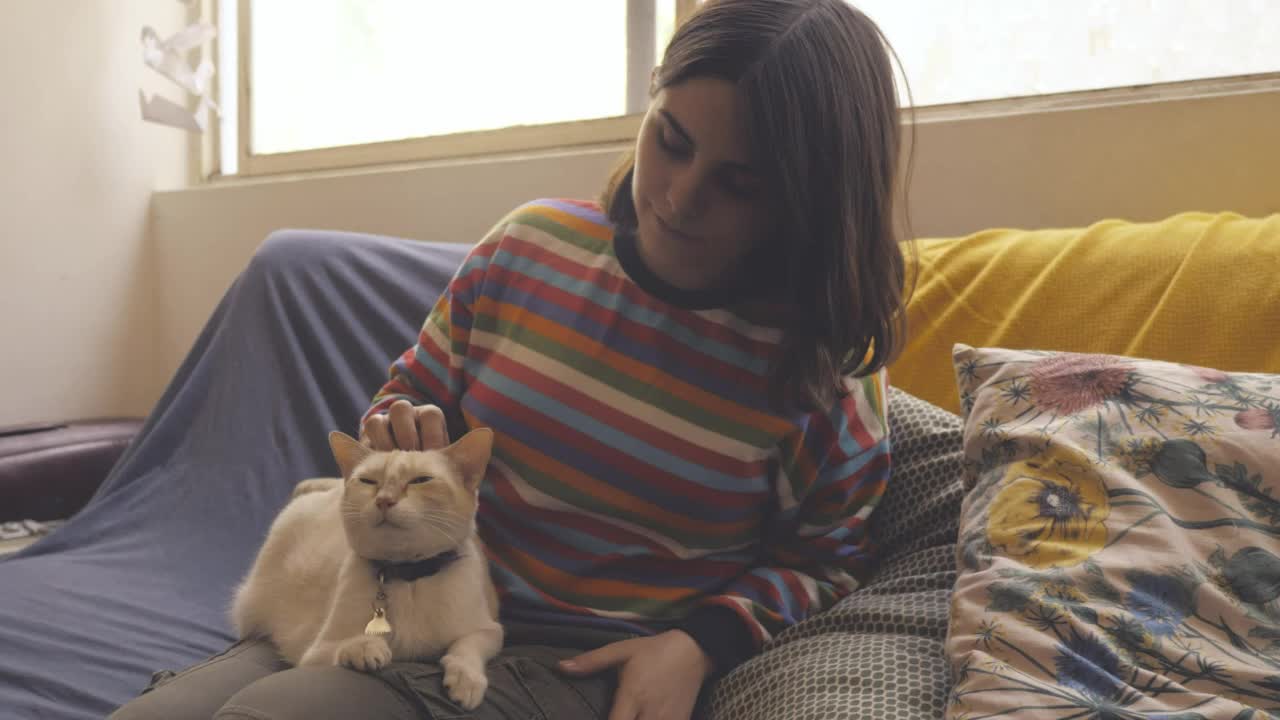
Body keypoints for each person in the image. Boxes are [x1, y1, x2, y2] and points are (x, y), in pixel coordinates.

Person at [111, 0, 909, 718]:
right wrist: (400, 430)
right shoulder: (529, 247)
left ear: (810, 198)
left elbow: (825, 564)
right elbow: (410, 392)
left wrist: (696, 646)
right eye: (670, 139)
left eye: (738, 184)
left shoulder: (820, 372)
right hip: (403, 592)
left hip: (560, 666)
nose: (677, 195)